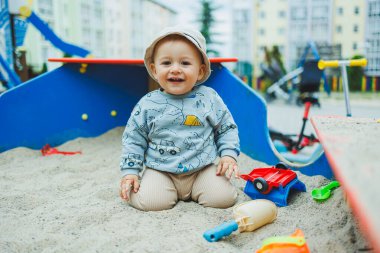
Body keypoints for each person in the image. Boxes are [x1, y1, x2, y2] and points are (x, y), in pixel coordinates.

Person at [119, 26, 240, 211]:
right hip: (161, 171)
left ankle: (197, 191)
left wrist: (228, 155)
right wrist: (130, 172)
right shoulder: (148, 104)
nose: (175, 69)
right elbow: (133, 139)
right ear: (154, 69)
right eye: (166, 63)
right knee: (151, 202)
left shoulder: (208, 98)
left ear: (200, 71)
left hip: (202, 170)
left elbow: (226, 128)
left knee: (224, 199)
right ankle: (151, 188)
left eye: (185, 63)